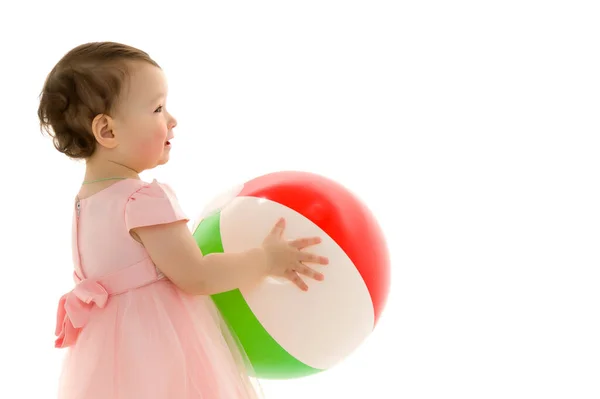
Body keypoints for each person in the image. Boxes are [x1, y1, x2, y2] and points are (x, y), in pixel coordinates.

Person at [37, 41, 329, 399]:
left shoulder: (85, 204)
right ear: (108, 132)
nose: (171, 119)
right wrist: (266, 260)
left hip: (112, 361)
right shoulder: (142, 199)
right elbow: (197, 275)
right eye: (158, 108)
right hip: (163, 349)